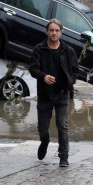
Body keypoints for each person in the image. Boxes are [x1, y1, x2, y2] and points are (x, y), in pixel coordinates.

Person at [29, 19, 78, 168]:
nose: (54, 33)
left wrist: (69, 83)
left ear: (61, 32)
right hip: (44, 95)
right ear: (47, 32)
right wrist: (43, 76)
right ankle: (45, 141)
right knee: (42, 128)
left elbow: (75, 71)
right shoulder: (39, 49)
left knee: (62, 125)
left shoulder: (68, 51)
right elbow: (32, 68)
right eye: (51, 30)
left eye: (57, 30)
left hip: (62, 94)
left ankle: (64, 157)